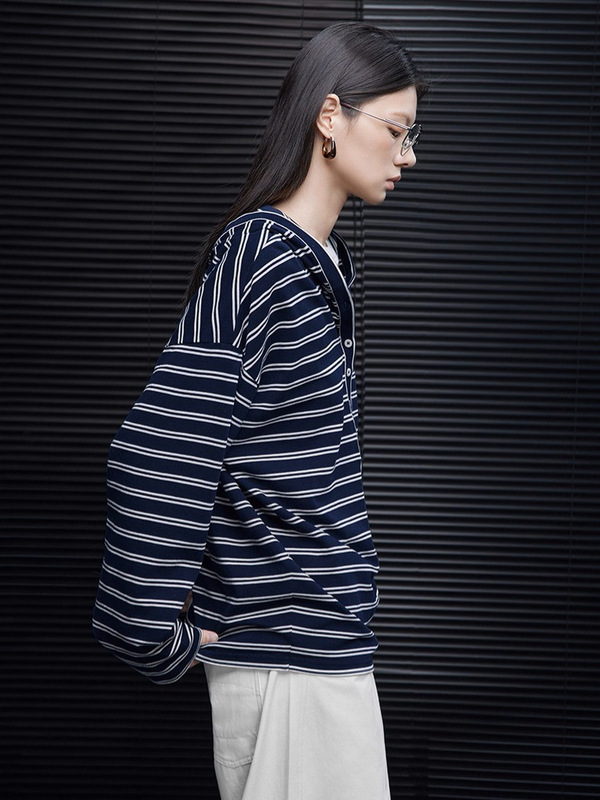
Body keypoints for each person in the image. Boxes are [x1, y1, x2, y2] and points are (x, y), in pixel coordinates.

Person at [93, 20, 428, 800]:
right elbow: (160, 446)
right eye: (397, 130)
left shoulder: (318, 262)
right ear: (330, 115)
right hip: (289, 665)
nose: (408, 156)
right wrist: (150, 631)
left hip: (319, 651)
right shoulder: (260, 255)